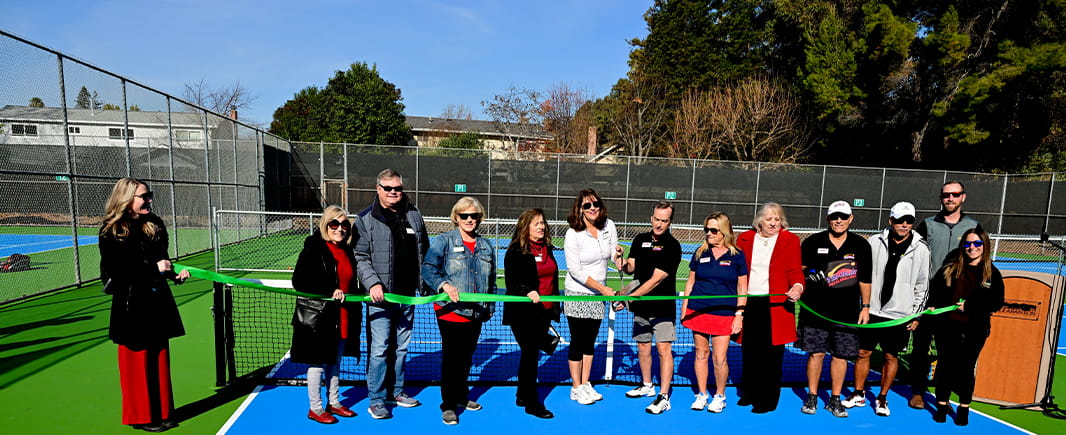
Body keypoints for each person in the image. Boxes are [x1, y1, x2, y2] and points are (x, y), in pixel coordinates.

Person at [99, 178, 189, 433]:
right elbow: (116, 271)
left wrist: (172, 274)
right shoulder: (111, 230)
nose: (149, 200)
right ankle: (141, 416)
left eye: (150, 195)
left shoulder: (154, 224)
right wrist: (154, 269)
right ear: (127, 199)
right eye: (144, 196)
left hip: (156, 302)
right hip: (131, 307)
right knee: (136, 366)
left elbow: (162, 260)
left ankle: (162, 412)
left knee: (159, 361)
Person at [354, 169, 428, 419]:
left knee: (402, 349)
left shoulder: (414, 215)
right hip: (381, 298)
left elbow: (424, 252)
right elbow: (360, 257)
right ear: (378, 189)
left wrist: (425, 284)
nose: (393, 192)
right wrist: (373, 283)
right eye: (388, 188)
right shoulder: (365, 219)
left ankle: (396, 391)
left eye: (397, 188)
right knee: (380, 349)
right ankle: (376, 399)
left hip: (408, 297)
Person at [844, 201, 930, 417]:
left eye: (909, 220)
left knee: (891, 357)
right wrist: (862, 305)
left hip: (899, 316)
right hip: (871, 312)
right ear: (890, 221)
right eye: (900, 220)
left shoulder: (921, 248)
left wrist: (916, 313)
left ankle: (882, 398)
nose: (904, 224)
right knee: (862, 353)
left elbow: (923, 284)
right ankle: (858, 393)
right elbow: (861, 275)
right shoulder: (874, 242)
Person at [421, 197, 497, 425]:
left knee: (466, 357)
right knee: (452, 359)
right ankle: (449, 405)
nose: (469, 219)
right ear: (456, 217)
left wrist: (490, 306)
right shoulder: (443, 241)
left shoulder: (486, 245)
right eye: (465, 215)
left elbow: (491, 279)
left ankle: (462, 396)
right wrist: (444, 284)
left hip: (476, 312)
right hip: (451, 311)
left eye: (474, 216)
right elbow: (428, 268)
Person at [909, 181, 982, 409]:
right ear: (941, 198)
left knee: (948, 352)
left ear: (963, 197)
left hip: (954, 303)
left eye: (955, 194)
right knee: (920, 348)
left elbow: (980, 258)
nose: (950, 198)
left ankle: (944, 395)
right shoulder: (928, 225)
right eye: (946, 195)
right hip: (927, 298)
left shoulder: (973, 226)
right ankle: (918, 391)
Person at [797, 201, 872, 418]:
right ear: (828, 219)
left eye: (843, 216)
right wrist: (811, 272)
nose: (838, 220)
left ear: (851, 218)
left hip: (847, 312)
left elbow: (865, 279)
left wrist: (865, 307)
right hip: (815, 310)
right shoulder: (813, 242)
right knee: (816, 354)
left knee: (841, 356)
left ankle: (835, 398)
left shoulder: (861, 245)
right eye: (834, 216)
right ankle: (811, 396)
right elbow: (799, 270)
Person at [290, 206, 361, 424]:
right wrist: (329, 290)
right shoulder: (314, 249)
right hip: (321, 318)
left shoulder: (348, 250)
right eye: (334, 224)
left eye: (344, 225)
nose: (339, 229)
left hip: (344, 316)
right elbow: (299, 281)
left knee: (335, 361)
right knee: (318, 363)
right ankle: (316, 408)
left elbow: (351, 282)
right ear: (325, 225)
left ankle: (334, 402)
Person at [928, 228, 1004, 426]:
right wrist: (933, 306)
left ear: (984, 246)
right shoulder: (950, 269)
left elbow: (996, 302)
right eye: (968, 244)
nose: (972, 248)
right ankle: (942, 406)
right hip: (947, 327)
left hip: (975, 329)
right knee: (944, 366)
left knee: (966, 368)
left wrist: (969, 306)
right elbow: (934, 292)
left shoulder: (992, 274)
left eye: (977, 244)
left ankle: (964, 407)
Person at [735, 202, 804, 413]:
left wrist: (798, 287)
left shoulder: (790, 240)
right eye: (769, 219)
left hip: (776, 305)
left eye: (777, 219)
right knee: (750, 351)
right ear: (759, 221)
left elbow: (794, 270)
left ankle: (767, 399)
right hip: (749, 303)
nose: (773, 223)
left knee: (772, 355)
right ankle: (749, 391)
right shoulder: (744, 239)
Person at [619, 201, 683, 414]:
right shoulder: (640, 239)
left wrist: (629, 298)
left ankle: (664, 396)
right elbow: (630, 268)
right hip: (641, 308)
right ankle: (647, 385)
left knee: (664, 351)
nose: (659, 224)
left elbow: (657, 279)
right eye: (656, 219)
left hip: (662, 308)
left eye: (664, 221)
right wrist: (620, 261)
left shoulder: (673, 246)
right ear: (651, 218)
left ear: (670, 222)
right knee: (643, 347)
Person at [681, 212, 747, 414]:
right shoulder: (700, 253)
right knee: (701, 354)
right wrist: (684, 309)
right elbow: (691, 282)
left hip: (724, 314)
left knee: (720, 358)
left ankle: (720, 396)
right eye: (706, 229)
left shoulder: (737, 256)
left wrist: (739, 314)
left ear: (724, 232)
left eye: (713, 230)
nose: (708, 233)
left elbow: (742, 288)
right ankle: (701, 394)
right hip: (698, 310)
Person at [563, 188, 622, 405]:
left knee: (590, 342)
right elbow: (575, 270)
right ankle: (576, 387)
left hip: (599, 295)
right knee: (578, 341)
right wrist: (603, 289)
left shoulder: (609, 226)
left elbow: (614, 256)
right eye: (587, 205)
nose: (592, 208)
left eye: (595, 204)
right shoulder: (572, 233)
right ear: (579, 210)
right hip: (578, 294)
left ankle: (586, 383)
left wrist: (620, 260)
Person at [503, 208, 559, 419]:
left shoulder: (548, 249)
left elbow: (550, 277)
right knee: (530, 353)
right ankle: (533, 403)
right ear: (525, 227)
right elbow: (512, 283)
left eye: (543, 223)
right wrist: (527, 290)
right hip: (523, 312)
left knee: (531, 353)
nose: (541, 227)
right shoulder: (516, 251)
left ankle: (522, 394)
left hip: (544, 312)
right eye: (536, 223)